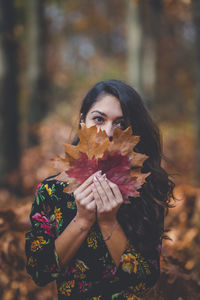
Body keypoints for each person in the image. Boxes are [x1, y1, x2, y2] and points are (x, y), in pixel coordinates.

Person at [25, 79, 174, 299]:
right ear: (83, 122)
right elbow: (39, 272)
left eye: (121, 124)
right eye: (98, 119)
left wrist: (108, 222)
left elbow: (145, 282)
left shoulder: (145, 187)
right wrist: (82, 221)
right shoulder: (52, 191)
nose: (108, 132)